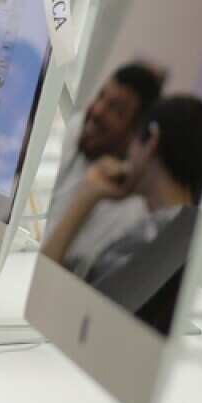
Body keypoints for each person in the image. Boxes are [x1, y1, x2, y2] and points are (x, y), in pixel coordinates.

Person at [43, 95, 202, 284]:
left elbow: (42, 282)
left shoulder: (144, 240)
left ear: (152, 141)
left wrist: (85, 196)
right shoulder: (191, 235)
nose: (129, 154)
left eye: (134, 141)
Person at [44, 63, 164, 268]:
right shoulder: (75, 131)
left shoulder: (129, 214)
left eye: (115, 110)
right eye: (100, 97)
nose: (97, 111)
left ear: (136, 132)